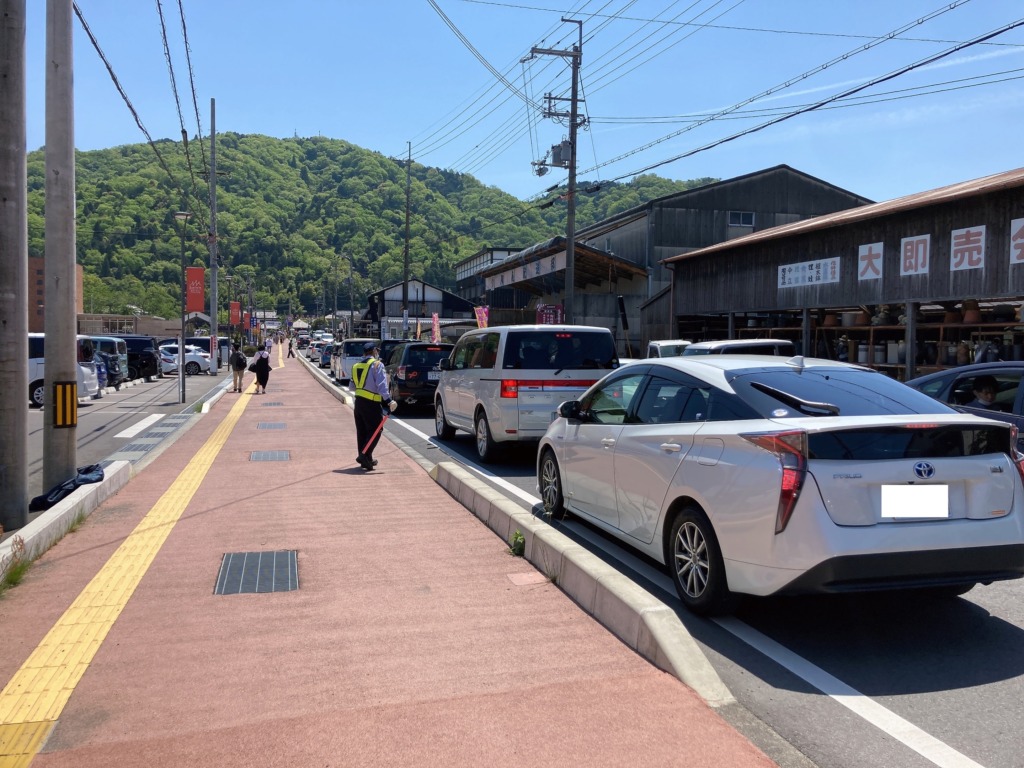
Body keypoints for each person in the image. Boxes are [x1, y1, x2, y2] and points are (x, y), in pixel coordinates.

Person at [351, 341, 397, 471]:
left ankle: (366, 458)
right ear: (374, 351)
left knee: (362, 431)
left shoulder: (356, 366)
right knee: (376, 430)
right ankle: (365, 455)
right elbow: (382, 385)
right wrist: (389, 401)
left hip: (358, 402)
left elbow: (351, 386)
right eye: (377, 351)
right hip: (371, 402)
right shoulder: (377, 365)